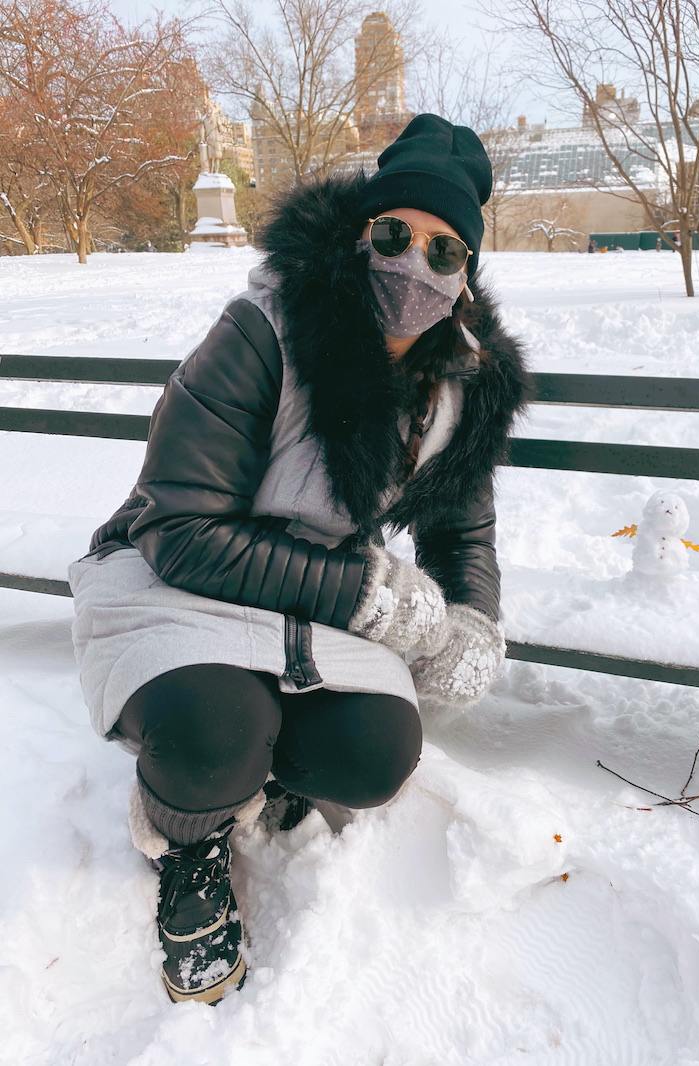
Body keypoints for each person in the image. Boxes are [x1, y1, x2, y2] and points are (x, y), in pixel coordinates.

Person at [68, 114, 526, 1005]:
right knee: (214, 736)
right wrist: (360, 590)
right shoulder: (267, 326)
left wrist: (472, 621)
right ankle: (191, 831)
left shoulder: (463, 383)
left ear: (464, 277)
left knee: (376, 756)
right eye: (393, 235)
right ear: (360, 233)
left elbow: (461, 534)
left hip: (309, 605)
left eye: (443, 252)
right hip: (181, 576)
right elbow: (181, 526)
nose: (412, 265)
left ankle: (262, 758)